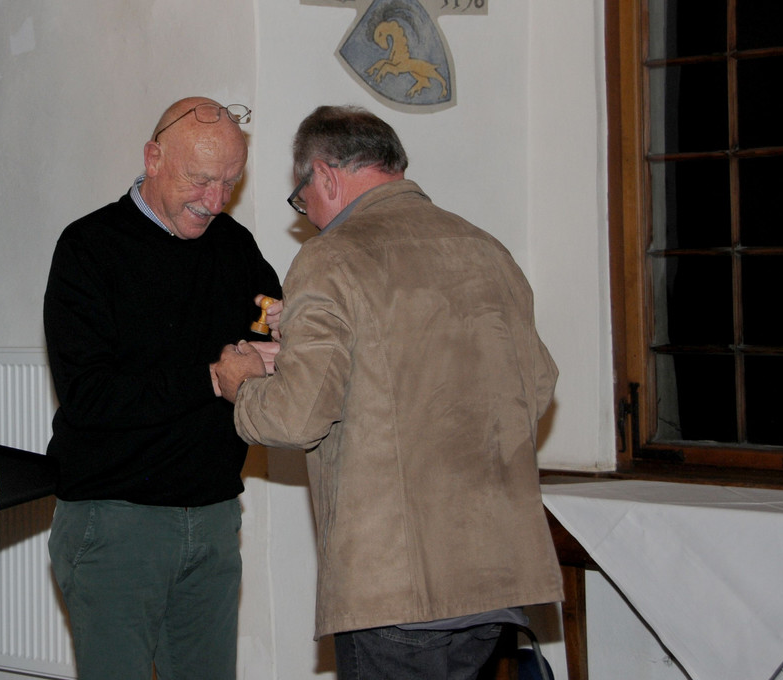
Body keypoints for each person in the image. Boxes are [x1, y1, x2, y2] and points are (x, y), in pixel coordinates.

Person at [212, 105, 563, 680]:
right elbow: (534, 385)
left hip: (395, 584)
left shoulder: (332, 257)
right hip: (491, 578)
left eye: (303, 200)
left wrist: (244, 383)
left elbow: (297, 419)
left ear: (326, 176)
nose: (310, 217)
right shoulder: (485, 249)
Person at [43, 96, 282, 680]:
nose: (215, 201)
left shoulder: (235, 245)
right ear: (153, 158)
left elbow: (263, 334)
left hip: (215, 515)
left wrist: (287, 336)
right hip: (115, 521)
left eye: (229, 182)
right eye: (200, 180)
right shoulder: (89, 247)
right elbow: (88, 395)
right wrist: (210, 377)